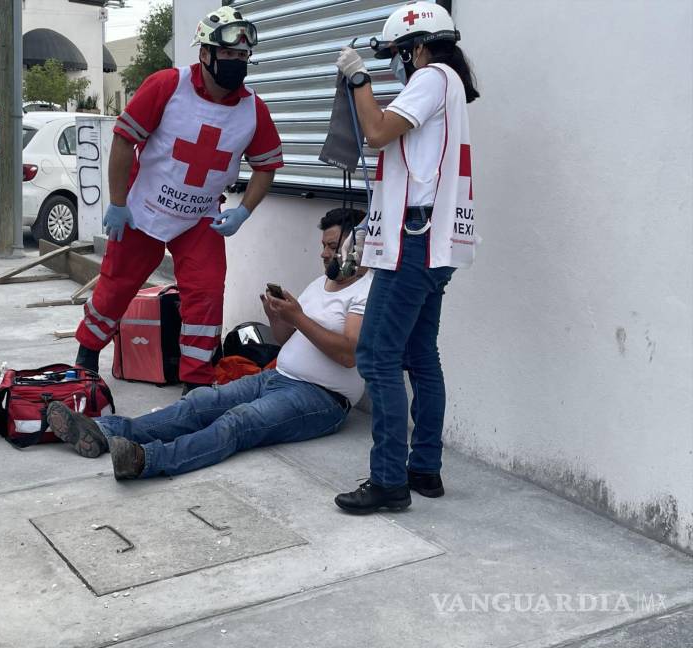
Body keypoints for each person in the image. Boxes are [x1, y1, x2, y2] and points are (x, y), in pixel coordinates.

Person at [48, 208, 372, 480]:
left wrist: (297, 316)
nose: (323, 253)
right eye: (324, 245)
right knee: (197, 404)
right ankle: (102, 430)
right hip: (276, 377)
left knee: (237, 422)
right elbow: (288, 338)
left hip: (322, 399)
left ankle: (146, 459)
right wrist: (277, 316)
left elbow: (348, 355)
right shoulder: (322, 283)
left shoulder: (367, 292)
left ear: (356, 246)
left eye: (332, 246)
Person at [73, 6, 283, 393]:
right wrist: (118, 202)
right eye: (228, 55)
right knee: (117, 284)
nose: (237, 63)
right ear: (205, 54)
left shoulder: (253, 110)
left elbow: (266, 166)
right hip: (141, 209)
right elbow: (124, 140)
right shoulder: (167, 86)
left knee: (205, 294)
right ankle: (87, 352)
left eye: (243, 56)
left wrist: (243, 212)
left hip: (200, 217)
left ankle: (196, 382)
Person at [332, 1, 480, 514]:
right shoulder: (449, 83)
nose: (396, 63)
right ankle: (424, 470)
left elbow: (376, 132)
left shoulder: (432, 77)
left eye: (397, 53)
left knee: (376, 356)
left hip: (415, 241)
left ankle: (389, 480)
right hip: (432, 241)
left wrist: (357, 79)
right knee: (420, 356)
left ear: (417, 46)